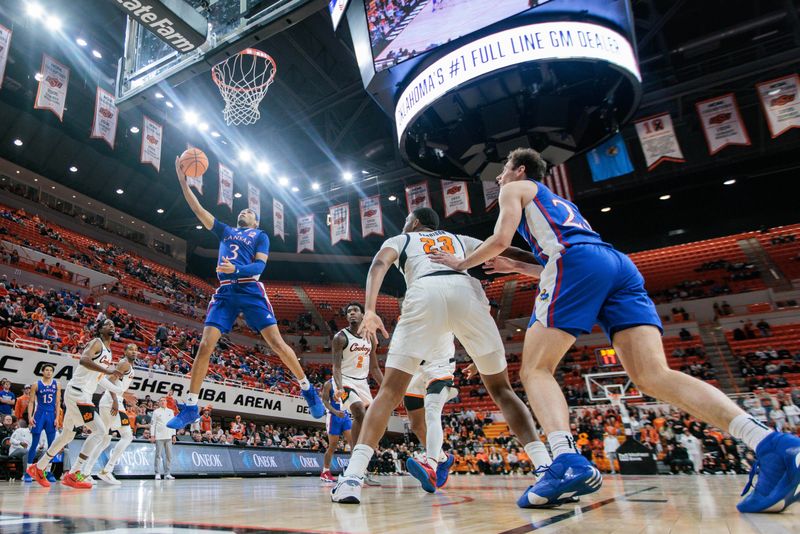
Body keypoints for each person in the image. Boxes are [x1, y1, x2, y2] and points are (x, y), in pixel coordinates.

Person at [429, 147, 800, 513]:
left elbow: (500, 241)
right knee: (653, 375)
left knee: (535, 369)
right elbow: (564, 259)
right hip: (615, 264)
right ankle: (769, 442)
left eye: (504, 169)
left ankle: (565, 460)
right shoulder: (562, 205)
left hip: (576, 262)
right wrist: (520, 270)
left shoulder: (517, 188)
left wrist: (460, 264)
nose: (499, 177)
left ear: (521, 169)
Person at [332, 207, 551, 505]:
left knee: (388, 393)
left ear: (416, 222)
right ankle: (545, 468)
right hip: (466, 293)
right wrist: (547, 259)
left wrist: (370, 310)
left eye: (407, 219)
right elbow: (509, 248)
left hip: (426, 293)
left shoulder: (402, 239)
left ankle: (352, 479)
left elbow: (378, 265)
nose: (404, 223)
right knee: (501, 389)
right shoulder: (458, 238)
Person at [168, 157, 323, 429]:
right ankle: (191, 405)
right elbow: (198, 209)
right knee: (205, 345)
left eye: (249, 210)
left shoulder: (260, 235)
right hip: (226, 292)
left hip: (250, 288)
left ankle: (307, 388)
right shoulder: (225, 231)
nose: (244, 211)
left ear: (255, 219)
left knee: (276, 343)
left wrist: (235, 270)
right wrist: (183, 181)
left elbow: (260, 266)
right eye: (242, 210)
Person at [27, 319, 121, 489]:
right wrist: (108, 371)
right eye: (108, 324)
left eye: (112, 324)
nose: (112, 326)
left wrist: (120, 393)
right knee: (100, 431)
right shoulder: (96, 342)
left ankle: (38, 467)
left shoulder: (109, 352)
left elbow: (100, 379)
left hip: (82, 393)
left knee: (67, 436)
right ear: (100, 329)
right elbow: (83, 360)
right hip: (78, 393)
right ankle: (74, 473)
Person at [331, 302, 383, 483]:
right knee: (359, 412)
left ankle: (360, 464)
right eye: (348, 312)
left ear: (362, 315)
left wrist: (388, 389)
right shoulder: (340, 337)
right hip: (344, 380)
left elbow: (375, 368)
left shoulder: (370, 338)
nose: (352, 313)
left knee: (368, 419)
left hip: (362, 383)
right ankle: (355, 463)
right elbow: (336, 367)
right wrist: (338, 387)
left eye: (355, 311)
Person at [403, 344, 459, 492]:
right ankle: (443, 459)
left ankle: (431, 467)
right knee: (416, 426)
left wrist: (476, 362)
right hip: (414, 369)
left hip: (439, 363)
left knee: (432, 412)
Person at [84, 343, 138, 485]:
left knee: (105, 439)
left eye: (136, 350)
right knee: (127, 435)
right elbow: (109, 381)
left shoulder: (128, 366)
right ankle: (107, 470)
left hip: (110, 400)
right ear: (125, 351)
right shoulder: (124, 364)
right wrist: (115, 399)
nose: (134, 351)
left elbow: (118, 385)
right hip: (112, 401)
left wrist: (126, 396)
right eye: (131, 349)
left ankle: (85, 471)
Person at [23, 364, 60, 484]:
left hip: (51, 415)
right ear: (43, 372)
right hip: (39, 414)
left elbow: (58, 403)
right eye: (47, 370)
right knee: (34, 444)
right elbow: (31, 402)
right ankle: (28, 471)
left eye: (51, 370)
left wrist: (57, 418)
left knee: (51, 446)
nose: (49, 372)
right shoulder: (36, 384)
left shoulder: (57, 384)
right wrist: (30, 417)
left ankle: (47, 472)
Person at [320, 377, 352, 483]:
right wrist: (335, 412)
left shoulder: (347, 381)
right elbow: (325, 401)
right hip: (333, 416)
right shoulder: (328, 384)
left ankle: (356, 471)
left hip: (345, 415)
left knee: (354, 443)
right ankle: (325, 471)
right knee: (333, 445)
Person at [151, 397, 176, 480]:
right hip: (159, 437)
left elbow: (173, 424)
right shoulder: (156, 412)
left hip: (169, 436)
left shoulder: (171, 411)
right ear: (159, 403)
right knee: (158, 455)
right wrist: (152, 435)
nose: (162, 402)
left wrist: (174, 435)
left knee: (169, 456)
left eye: (164, 400)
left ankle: (167, 474)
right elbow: (153, 424)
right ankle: (157, 473)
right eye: (161, 400)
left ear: (166, 402)